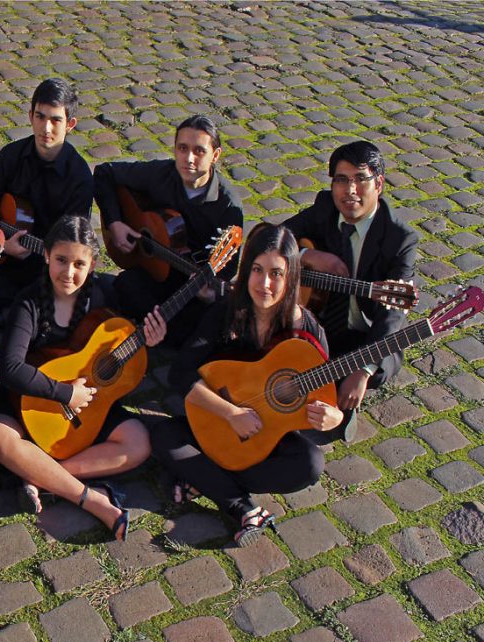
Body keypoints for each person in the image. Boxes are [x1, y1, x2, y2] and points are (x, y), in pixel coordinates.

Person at [150, 225, 343, 547]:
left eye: (276, 274)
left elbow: (329, 403)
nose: (265, 284)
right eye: (257, 270)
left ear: (292, 277)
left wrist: (335, 419)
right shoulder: (226, 312)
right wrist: (230, 413)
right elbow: (181, 375)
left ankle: (206, 479)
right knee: (162, 436)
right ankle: (240, 506)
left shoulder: (308, 332)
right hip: (216, 423)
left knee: (310, 465)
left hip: (265, 440)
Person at [0, 215, 166, 540]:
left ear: (93, 265)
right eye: (61, 260)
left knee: (139, 442)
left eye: (79, 264)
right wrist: (65, 394)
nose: (68, 273)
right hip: (26, 402)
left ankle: (41, 475)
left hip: (85, 410)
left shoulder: (103, 299)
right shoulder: (28, 303)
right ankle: (92, 500)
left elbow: (119, 354)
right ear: (46, 256)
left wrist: (147, 342)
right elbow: (9, 369)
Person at [284, 140, 418, 439]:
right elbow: (274, 236)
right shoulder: (324, 208)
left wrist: (364, 369)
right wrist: (308, 256)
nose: (350, 190)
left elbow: (392, 317)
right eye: (341, 180)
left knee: (383, 363)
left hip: (363, 334)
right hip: (317, 323)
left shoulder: (400, 239)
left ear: (379, 183)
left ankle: (340, 403)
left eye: (360, 179)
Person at [0, 78, 93, 321]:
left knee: (56, 293)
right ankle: (10, 312)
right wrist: (1, 245)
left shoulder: (79, 177)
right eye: (40, 117)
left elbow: (73, 242)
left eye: (55, 120)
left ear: (70, 124)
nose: (46, 128)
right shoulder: (11, 156)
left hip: (42, 266)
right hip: (1, 256)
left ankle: (6, 312)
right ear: (30, 116)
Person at [94, 115, 244, 343]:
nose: (189, 158)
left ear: (215, 155)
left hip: (191, 284)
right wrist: (115, 223)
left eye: (199, 151)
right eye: (182, 148)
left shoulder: (228, 207)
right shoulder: (161, 174)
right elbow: (105, 173)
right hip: (158, 273)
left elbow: (228, 267)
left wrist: (208, 292)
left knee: (206, 323)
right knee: (126, 288)